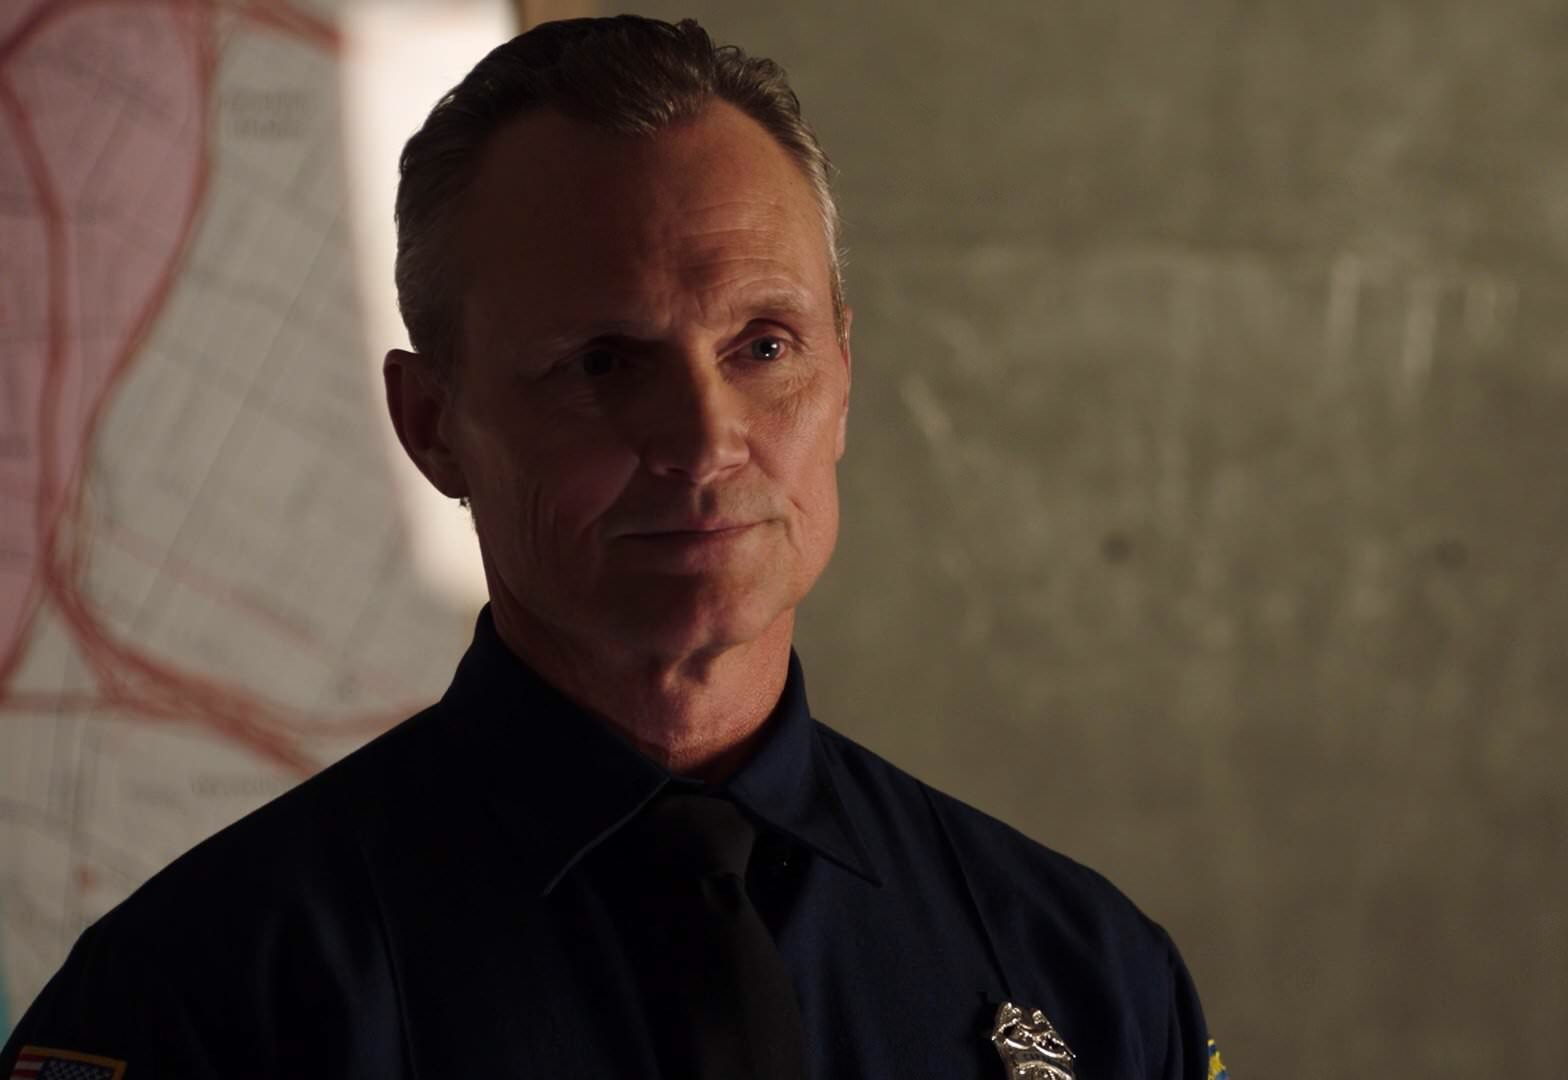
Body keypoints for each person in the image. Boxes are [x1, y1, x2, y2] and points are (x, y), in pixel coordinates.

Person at [2, 16, 1226, 1079]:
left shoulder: (1085, 971)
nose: (705, 440)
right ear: (432, 427)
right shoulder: (199, 999)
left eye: (764, 347)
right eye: (602, 363)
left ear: (844, 378)